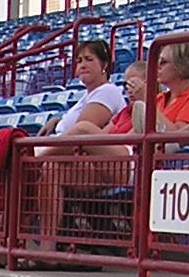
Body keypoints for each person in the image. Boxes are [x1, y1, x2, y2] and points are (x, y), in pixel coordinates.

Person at [34, 39, 125, 236]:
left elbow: (79, 133)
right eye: (79, 60)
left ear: (104, 65)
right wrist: (57, 121)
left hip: (91, 164)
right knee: (4, 157)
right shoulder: (87, 96)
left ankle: (24, 241)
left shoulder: (108, 92)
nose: (82, 64)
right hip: (66, 156)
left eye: (89, 59)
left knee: (28, 165)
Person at [154, 41, 189, 127]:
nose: (157, 66)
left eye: (163, 62)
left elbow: (178, 137)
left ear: (183, 65)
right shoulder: (159, 98)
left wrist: (148, 108)